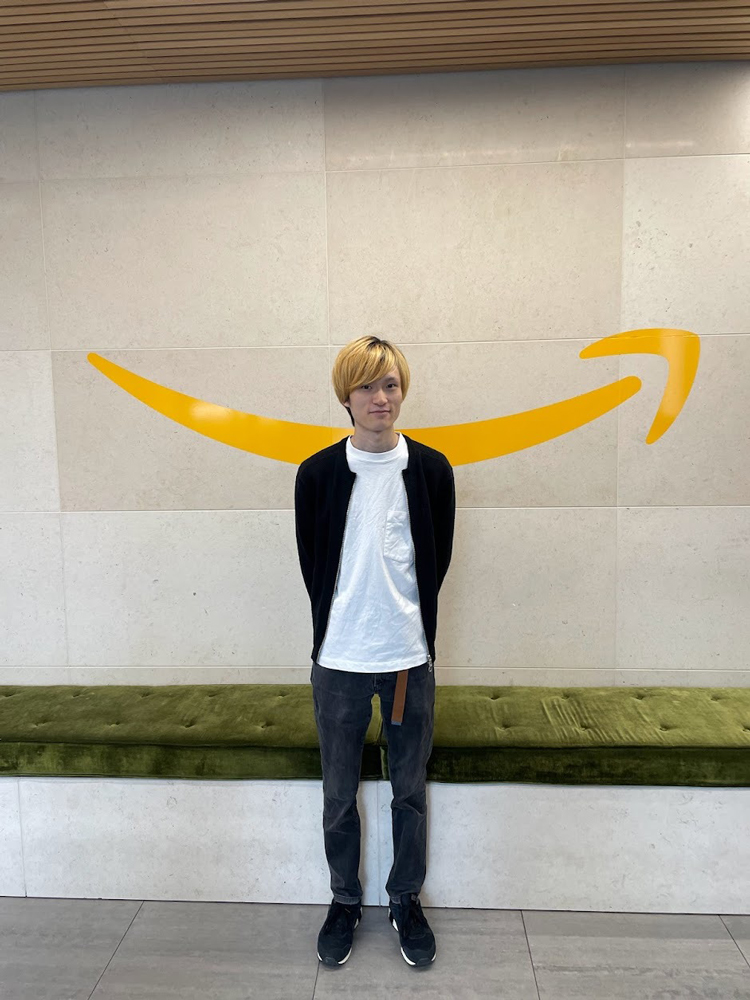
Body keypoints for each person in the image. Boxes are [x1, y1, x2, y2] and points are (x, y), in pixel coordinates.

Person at [294, 335, 456, 969]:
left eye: (390, 384)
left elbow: (436, 561)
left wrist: (404, 626)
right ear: (346, 397)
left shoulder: (433, 470)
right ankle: (343, 900)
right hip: (337, 661)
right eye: (367, 386)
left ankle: (405, 900)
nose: (381, 397)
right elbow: (314, 564)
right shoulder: (318, 473)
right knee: (339, 791)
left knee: (407, 791)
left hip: (407, 661)